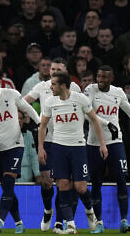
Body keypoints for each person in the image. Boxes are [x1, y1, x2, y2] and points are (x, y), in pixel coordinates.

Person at [84, 65, 130, 233]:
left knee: (122, 178)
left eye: (104, 77)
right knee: (96, 182)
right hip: (94, 143)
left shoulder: (118, 92)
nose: (101, 80)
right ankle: (99, 223)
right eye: (99, 76)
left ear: (112, 78)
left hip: (115, 142)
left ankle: (124, 221)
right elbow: (87, 113)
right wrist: (108, 123)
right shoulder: (90, 90)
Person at [38, 71, 106, 234]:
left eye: (53, 84)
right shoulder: (49, 102)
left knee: (81, 187)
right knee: (62, 185)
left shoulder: (80, 99)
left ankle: (90, 211)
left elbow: (95, 120)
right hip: (58, 148)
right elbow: (43, 125)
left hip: (77, 148)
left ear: (62, 85)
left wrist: (102, 144)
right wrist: (41, 147)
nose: (50, 87)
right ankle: (70, 224)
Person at [0, 68, 40, 234]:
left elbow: (28, 108)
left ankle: (0, 220)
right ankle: (19, 222)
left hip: (15, 146)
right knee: (6, 187)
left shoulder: (11, 94)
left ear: (0, 82)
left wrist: (40, 123)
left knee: (9, 181)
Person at [24, 58, 84, 233]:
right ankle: (47, 209)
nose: (54, 72)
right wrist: (36, 119)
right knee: (47, 182)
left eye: (58, 69)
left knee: (62, 182)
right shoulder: (42, 86)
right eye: (52, 69)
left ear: (65, 72)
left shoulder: (75, 89)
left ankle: (59, 221)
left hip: (64, 142)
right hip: (46, 140)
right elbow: (24, 101)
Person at [16, 110, 40, 183]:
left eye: (21, 118)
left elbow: (34, 156)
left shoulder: (28, 134)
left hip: (26, 173)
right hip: (10, 174)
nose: (19, 121)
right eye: (17, 118)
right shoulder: (4, 135)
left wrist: (37, 174)